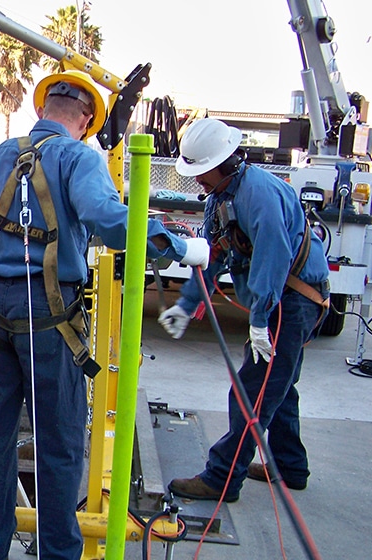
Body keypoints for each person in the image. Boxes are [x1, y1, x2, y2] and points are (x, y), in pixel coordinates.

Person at [0, 70, 210, 560]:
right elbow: (109, 220)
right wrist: (181, 245)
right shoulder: (79, 157)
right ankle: (56, 555)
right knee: (57, 447)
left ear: (42, 110)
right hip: (50, 319)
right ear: (83, 120)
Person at [160, 118, 330, 502]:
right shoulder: (222, 198)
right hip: (283, 301)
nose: (197, 181)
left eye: (201, 172)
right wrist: (187, 304)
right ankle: (290, 466)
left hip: (292, 301)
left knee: (251, 393)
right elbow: (214, 255)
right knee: (280, 386)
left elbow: (274, 257)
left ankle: (222, 477)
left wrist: (258, 322)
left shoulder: (259, 194)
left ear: (222, 163)